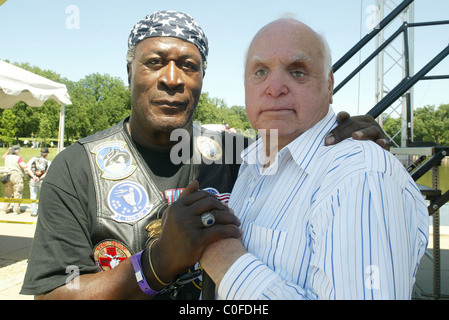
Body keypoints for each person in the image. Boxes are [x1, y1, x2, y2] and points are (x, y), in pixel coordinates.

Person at [21, 11, 388, 300]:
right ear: (129, 72)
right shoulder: (76, 168)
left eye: (188, 65)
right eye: (154, 62)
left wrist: (342, 132)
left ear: (201, 78)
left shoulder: (238, 155)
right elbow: (54, 294)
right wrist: (157, 261)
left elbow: (301, 151)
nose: (172, 78)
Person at [199, 18, 429, 300]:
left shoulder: (360, 176)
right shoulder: (252, 163)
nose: (274, 88)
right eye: (260, 71)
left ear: (330, 85)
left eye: (298, 72)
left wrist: (226, 261)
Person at [1, 145, 38, 214]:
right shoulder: (18, 158)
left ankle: (5, 209)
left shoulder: (7, 157)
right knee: (17, 192)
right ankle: (16, 210)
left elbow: (4, 156)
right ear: (16, 151)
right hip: (16, 176)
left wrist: (8, 151)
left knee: (8, 193)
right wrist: (33, 176)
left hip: (7, 176)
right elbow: (25, 167)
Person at [27, 147, 51, 217]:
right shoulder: (48, 162)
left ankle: (33, 212)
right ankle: (42, 212)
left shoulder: (33, 159)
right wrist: (40, 178)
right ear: (46, 154)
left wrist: (34, 177)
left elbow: (27, 168)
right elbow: (47, 172)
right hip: (42, 180)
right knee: (43, 196)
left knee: (33, 195)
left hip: (33, 180)